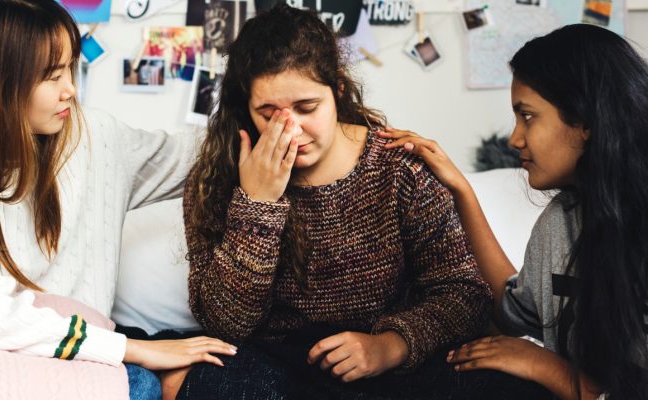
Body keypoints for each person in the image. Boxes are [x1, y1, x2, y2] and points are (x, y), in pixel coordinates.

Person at [175, 5, 550, 399]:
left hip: (393, 359)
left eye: (307, 108)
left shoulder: (399, 169)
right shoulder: (216, 178)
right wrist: (257, 205)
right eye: (268, 114)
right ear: (246, 109)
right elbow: (226, 325)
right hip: (278, 363)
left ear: (337, 90)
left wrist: (391, 345)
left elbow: (465, 295)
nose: (291, 130)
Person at [0, 1, 235, 398]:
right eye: (51, 76)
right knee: (140, 385)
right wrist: (133, 349)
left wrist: (259, 130)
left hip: (81, 352)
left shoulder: (94, 135)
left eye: (70, 68)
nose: (70, 89)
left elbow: (189, 157)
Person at [379, 24, 648, 400]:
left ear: (584, 122)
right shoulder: (562, 218)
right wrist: (462, 191)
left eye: (528, 116)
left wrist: (550, 369)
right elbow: (512, 313)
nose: (514, 138)